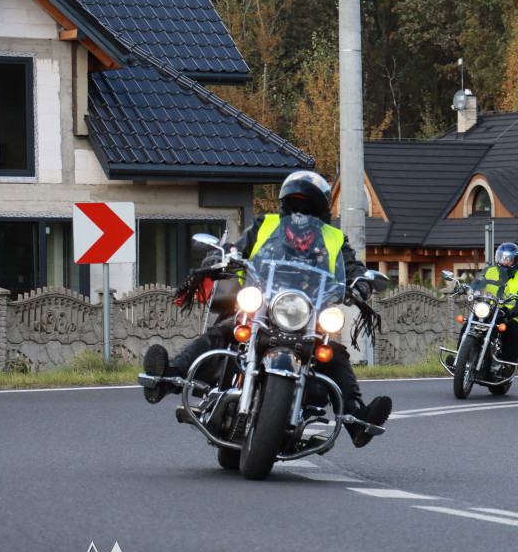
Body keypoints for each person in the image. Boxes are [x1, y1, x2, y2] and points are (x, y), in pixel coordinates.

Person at [141, 170, 391, 448]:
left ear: (321, 212)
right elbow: (237, 248)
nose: (301, 215)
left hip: (308, 315)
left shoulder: (333, 239)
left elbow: (351, 266)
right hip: (263, 305)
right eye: (296, 207)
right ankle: (167, 377)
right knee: (225, 330)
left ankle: (357, 419)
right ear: (285, 206)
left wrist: (360, 281)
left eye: (308, 209)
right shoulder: (265, 225)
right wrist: (222, 255)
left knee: (335, 354)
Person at [483, 242, 518, 365]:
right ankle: (460, 362)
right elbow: (478, 284)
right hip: (488, 312)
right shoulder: (489, 271)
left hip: (509, 317)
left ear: (516, 261)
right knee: (468, 324)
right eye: (502, 258)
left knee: (512, 332)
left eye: (508, 260)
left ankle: (508, 366)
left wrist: (513, 311)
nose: (504, 262)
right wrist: (466, 289)